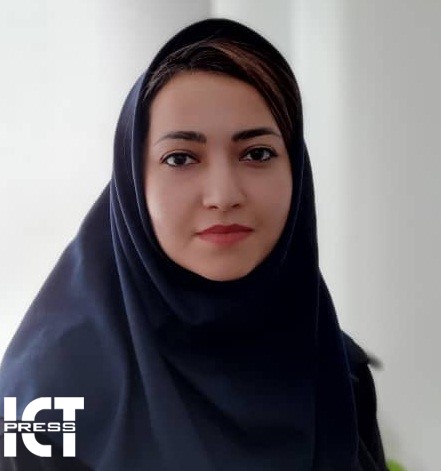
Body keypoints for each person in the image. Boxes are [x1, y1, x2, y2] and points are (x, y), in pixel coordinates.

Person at [0, 18, 387, 471]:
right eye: (181, 158)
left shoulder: (337, 370)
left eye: (257, 153)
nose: (223, 195)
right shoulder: (42, 403)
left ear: (296, 172)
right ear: (133, 181)